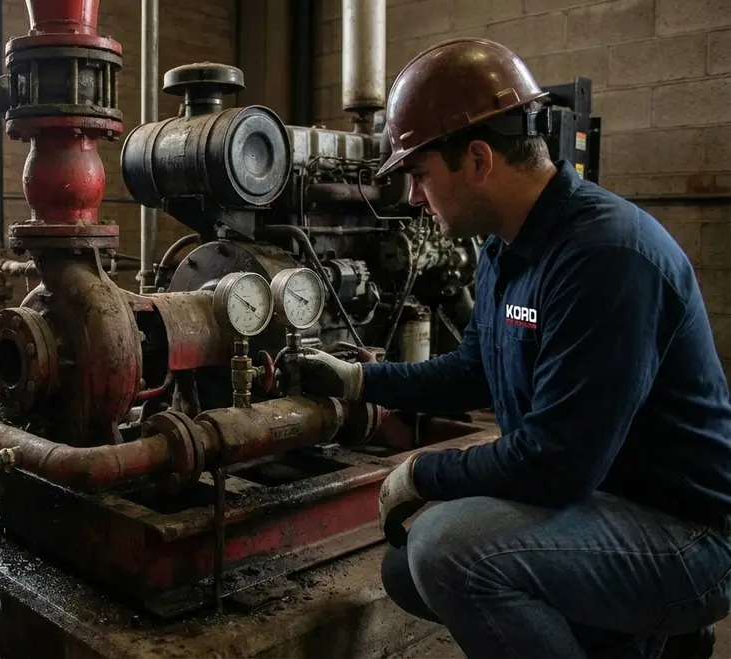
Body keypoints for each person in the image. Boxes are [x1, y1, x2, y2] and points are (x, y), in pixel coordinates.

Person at [297, 37, 731, 659]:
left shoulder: (604, 258)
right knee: (405, 570)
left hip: (684, 537)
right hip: (604, 502)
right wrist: (361, 381)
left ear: (478, 159)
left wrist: (424, 472)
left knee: (449, 551)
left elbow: (556, 464)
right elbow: (475, 368)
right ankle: (634, 638)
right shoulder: (505, 248)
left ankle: (659, 620)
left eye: (421, 175)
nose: (415, 197)